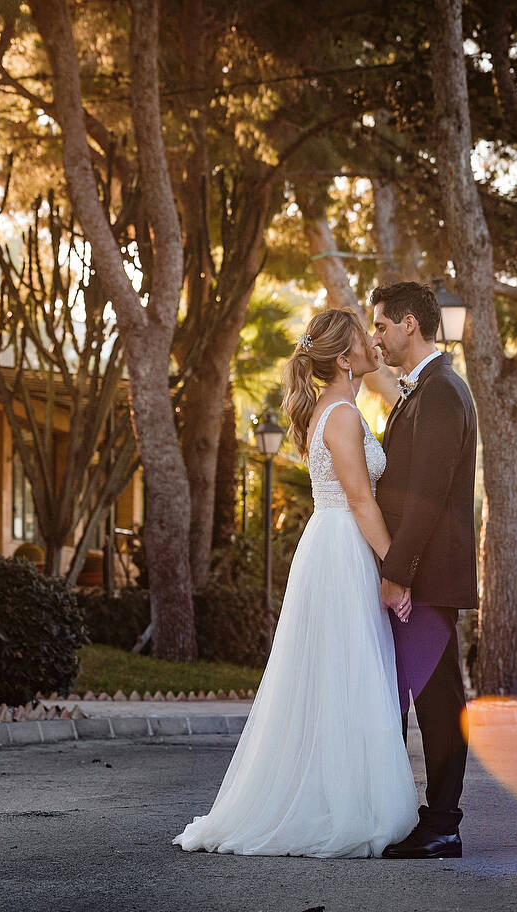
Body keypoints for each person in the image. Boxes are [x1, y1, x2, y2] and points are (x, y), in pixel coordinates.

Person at [172, 308, 418, 858]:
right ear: (343, 358)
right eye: (364, 338)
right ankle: (342, 806)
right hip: (343, 545)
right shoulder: (343, 416)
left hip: (328, 541)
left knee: (334, 672)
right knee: (347, 668)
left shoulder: (331, 410)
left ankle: (335, 795)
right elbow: (359, 498)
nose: (374, 344)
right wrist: (394, 570)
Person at [369, 280, 479, 860]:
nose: (376, 337)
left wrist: (399, 570)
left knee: (439, 701)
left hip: (429, 577)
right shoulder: (423, 390)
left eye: (382, 326)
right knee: (421, 697)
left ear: (410, 324)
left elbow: (429, 497)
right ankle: (426, 815)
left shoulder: (440, 392)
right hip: (422, 573)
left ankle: (443, 824)